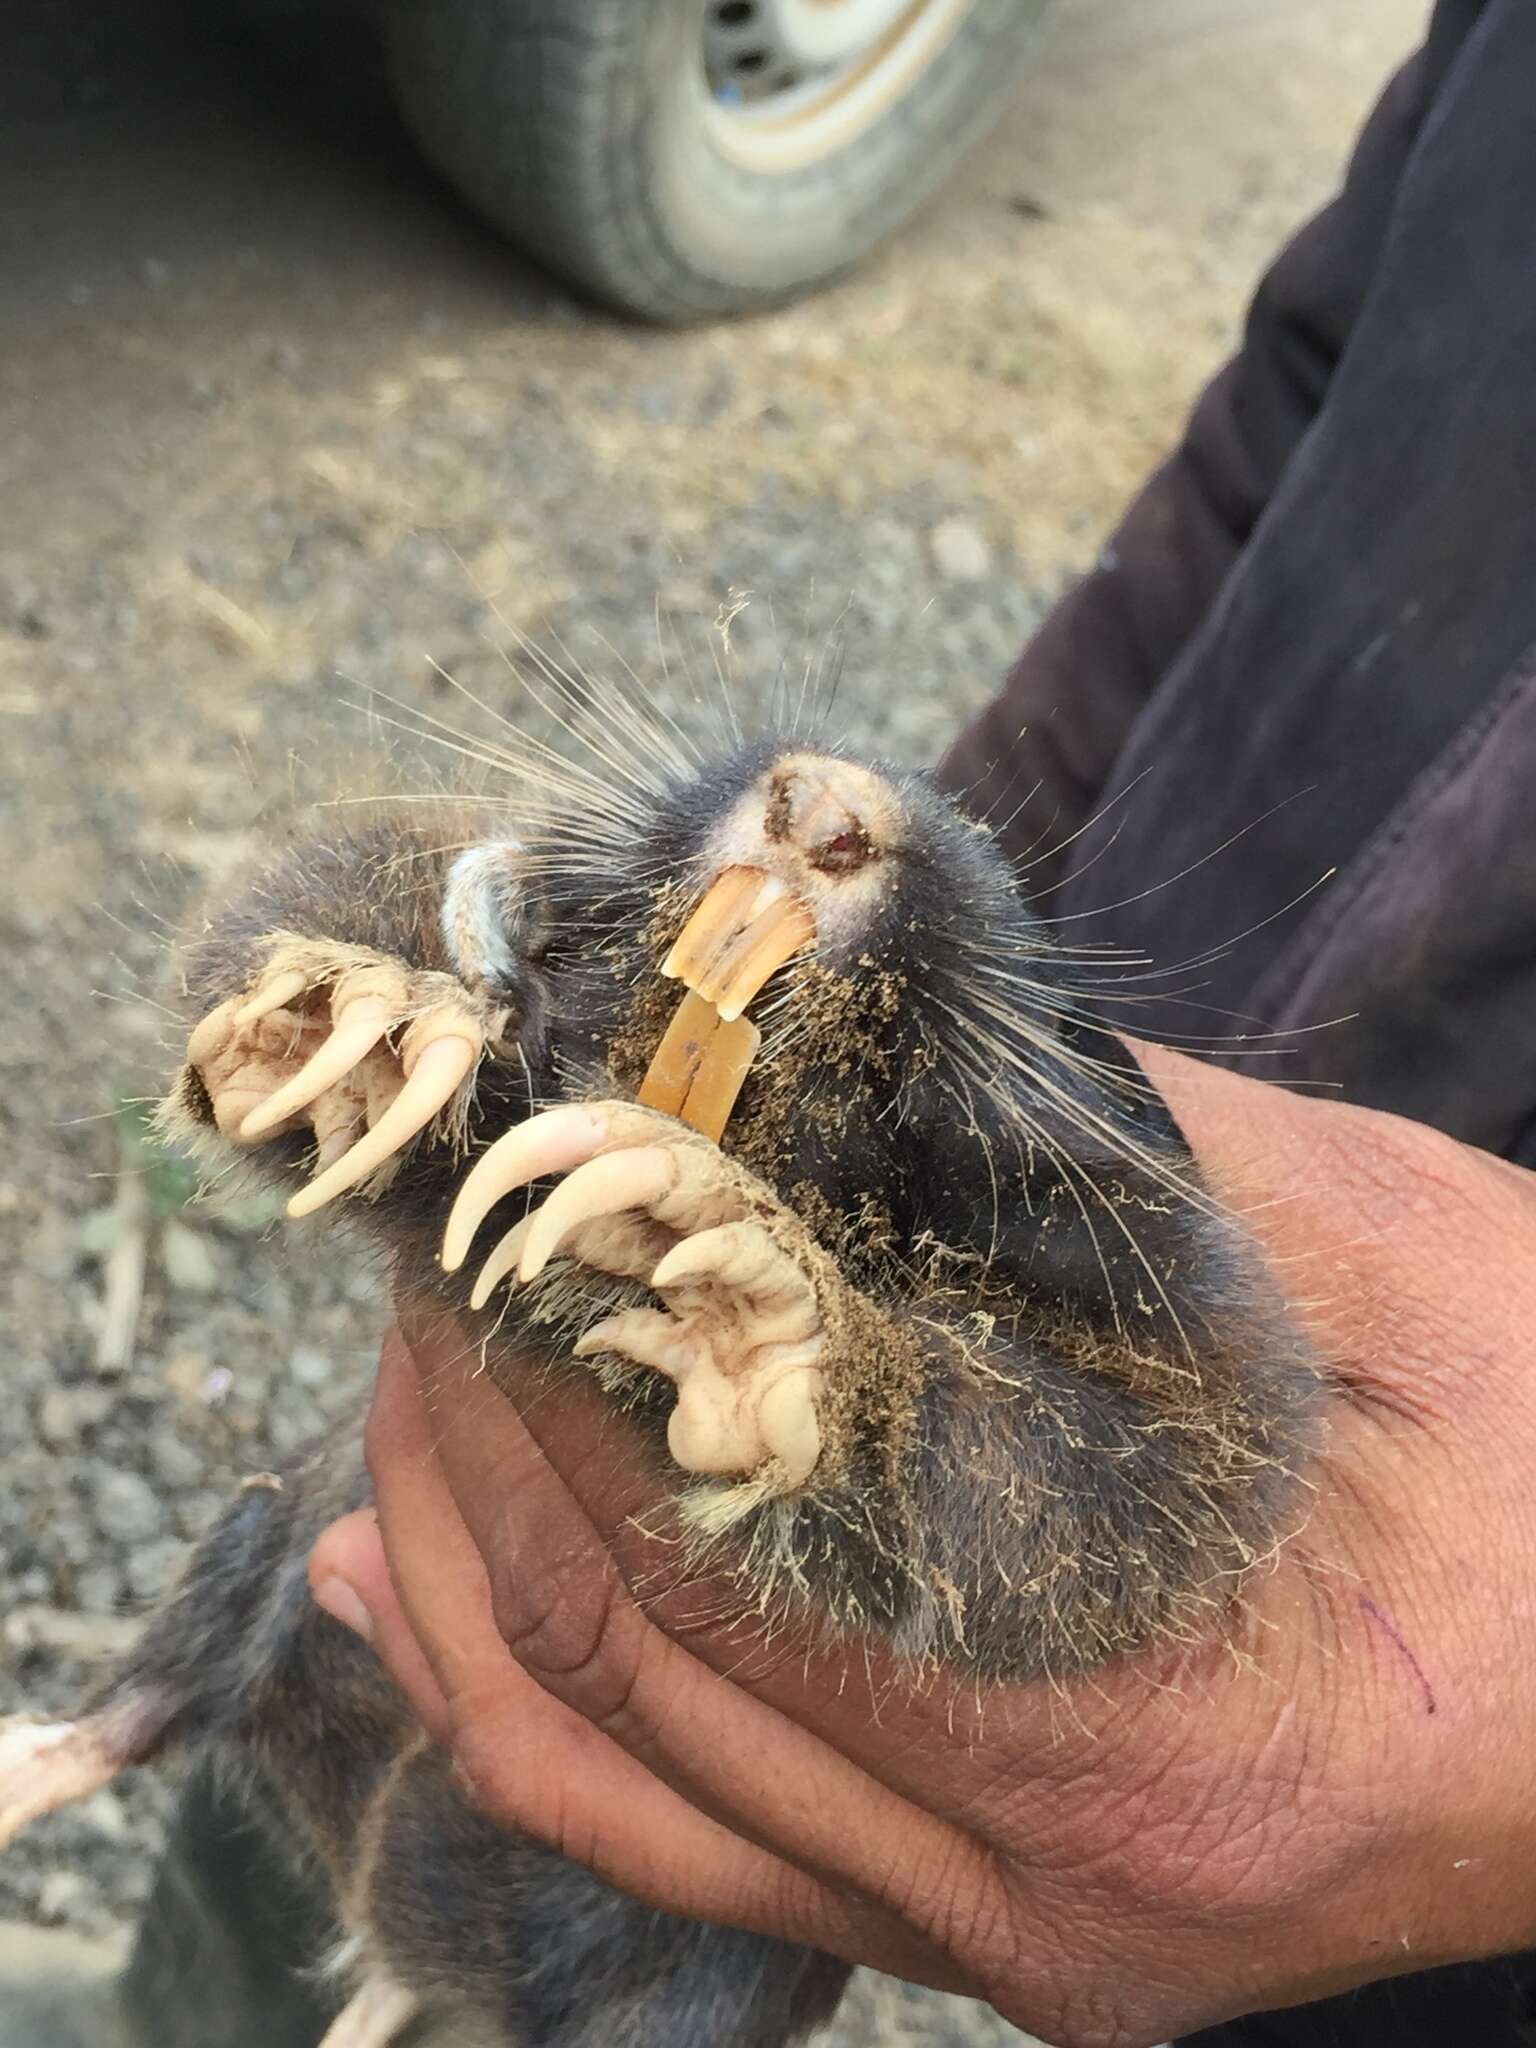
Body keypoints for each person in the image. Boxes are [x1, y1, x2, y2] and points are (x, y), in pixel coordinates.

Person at [12, 0, 1536, 2040]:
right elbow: (1304, 409)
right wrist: (980, 889)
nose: (828, 812)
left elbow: (1130, 1498)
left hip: (1405, 1784)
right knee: (380, 1580)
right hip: (1024, 1070)